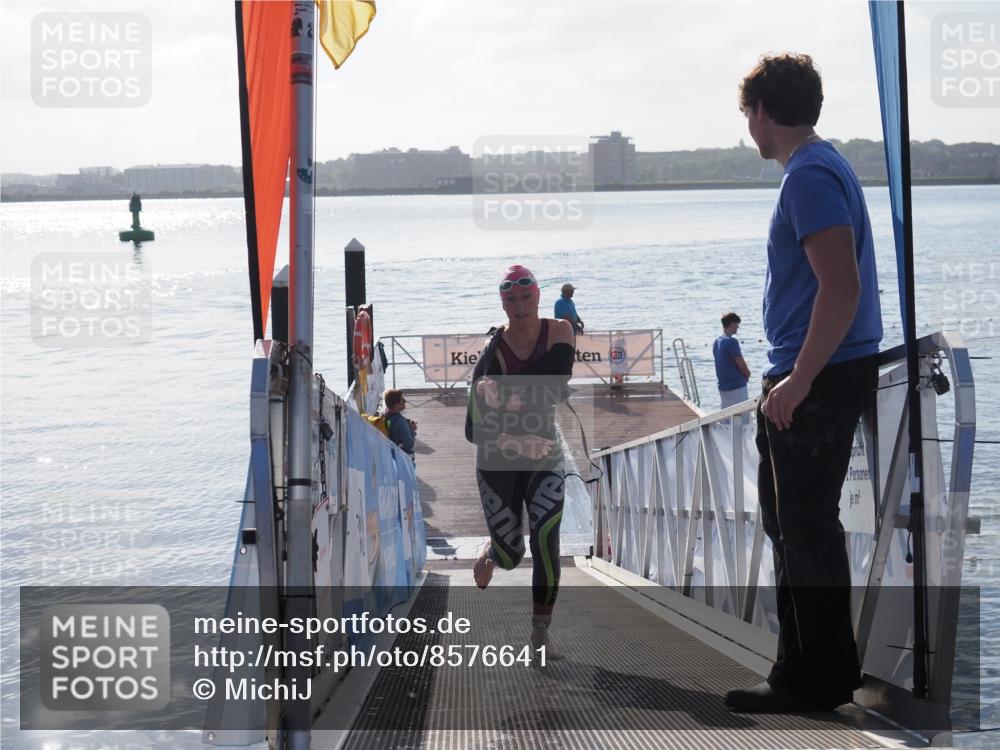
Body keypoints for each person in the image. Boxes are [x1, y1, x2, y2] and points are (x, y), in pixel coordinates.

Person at [724, 53, 883, 714]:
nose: (749, 129)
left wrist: (797, 382)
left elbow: (839, 288)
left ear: (763, 111)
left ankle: (808, 680)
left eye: (748, 116)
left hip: (814, 377)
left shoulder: (808, 177)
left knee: (804, 529)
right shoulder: (825, 165)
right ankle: (818, 669)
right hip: (819, 372)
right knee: (798, 527)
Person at [465, 265, 576, 656]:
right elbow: (472, 429)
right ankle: (492, 552)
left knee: (547, 540)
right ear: (502, 302)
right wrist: (514, 438)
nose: (519, 305)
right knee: (512, 555)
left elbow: (557, 380)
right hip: (498, 460)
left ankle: (539, 635)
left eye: (526, 296)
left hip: (545, 453)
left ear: (538, 296)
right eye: (510, 299)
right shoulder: (492, 353)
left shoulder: (560, 329)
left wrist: (510, 396)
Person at [713, 312, 751, 409]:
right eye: (737, 324)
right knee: (742, 417)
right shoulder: (732, 342)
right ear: (732, 324)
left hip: (723, 386)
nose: (738, 327)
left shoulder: (717, 342)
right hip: (737, 386)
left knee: (727, 418)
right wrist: (747, 374)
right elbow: (741, 365)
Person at [383, 388, 416, 459]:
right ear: (396, 404)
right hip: (401, 459)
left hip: (390, 455)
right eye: (403, 400)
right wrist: (412, 430)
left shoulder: (386, 416)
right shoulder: (400, 422)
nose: (405, 402)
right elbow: (409, 445)